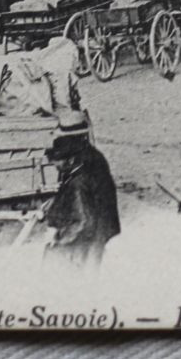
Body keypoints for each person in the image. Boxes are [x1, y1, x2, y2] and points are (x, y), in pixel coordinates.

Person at [43, 110, 121, 268]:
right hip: (101, 224)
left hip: (92, 231)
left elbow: (83, 221)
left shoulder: (79, 177)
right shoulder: (90, 154)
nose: (55, 167)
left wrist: (59, 239)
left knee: (82, 270)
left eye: (57, 163)